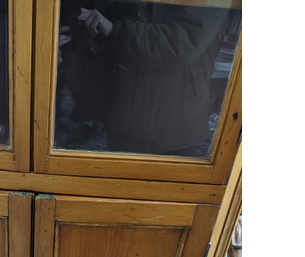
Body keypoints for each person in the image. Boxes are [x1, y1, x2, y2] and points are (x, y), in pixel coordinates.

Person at [57, 0, 229, 157]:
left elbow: (179, 44)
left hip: (175, 127)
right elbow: (100, 29)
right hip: (124, 120)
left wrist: (113, 29)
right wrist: (69, 41)